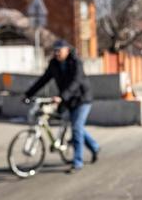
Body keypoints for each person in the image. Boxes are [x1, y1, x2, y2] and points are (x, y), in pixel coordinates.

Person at [24, 39, 100, 174]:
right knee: (78, 127)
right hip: (68, 100)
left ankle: (77, 162)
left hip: (82, 99)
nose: (57, 53)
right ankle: (94, 146)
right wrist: (28, 94)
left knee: (76, 127)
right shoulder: (54, 64)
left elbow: (76, 82)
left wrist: (62, 96)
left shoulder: (76, 62)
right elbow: (44, 79)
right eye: (55, 51)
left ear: (67, 50)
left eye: (59, 50)